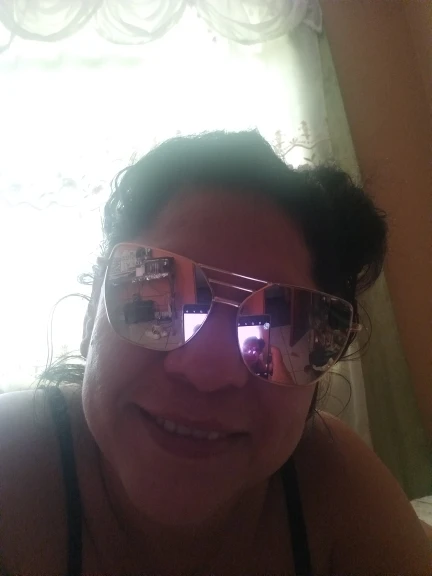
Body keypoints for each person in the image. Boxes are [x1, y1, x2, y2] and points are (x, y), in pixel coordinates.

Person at [0, 131, 430, 576]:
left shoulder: (335, 483)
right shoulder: (10, 464)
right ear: (93, 312)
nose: (206, 372)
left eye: (278, 325)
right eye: (159, 298)